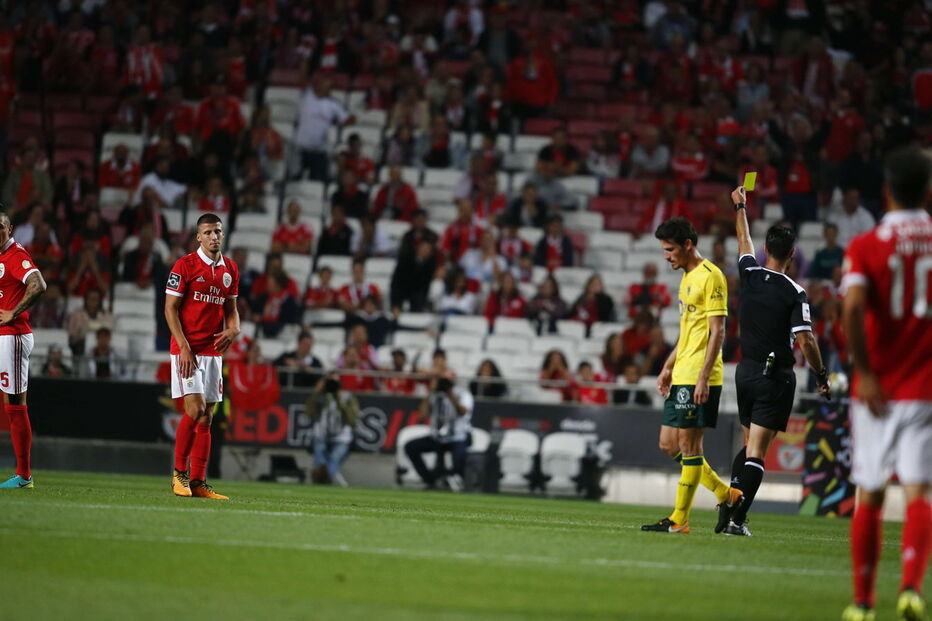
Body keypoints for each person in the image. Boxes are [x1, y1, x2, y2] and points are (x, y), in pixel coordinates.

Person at [839, 148, 932, 621]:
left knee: (870, 495)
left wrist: (867, 372)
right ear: (929, 192)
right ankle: (912, 588)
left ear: (887, 191)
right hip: (925, 389)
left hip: (876, 391)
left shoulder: (866, 245)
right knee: (920, 492)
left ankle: (862, 602)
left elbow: (852, 308)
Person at [723, 186, 830, 536]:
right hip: (774, 377)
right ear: (793, 254)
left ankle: (729, 505)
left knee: (746, 445)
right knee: (757, 452)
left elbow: (742, 240)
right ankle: (737, 519)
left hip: (745, 372)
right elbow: (806, 339)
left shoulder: (750, 275)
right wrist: (821, 373)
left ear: (766, 249)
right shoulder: (794, 292)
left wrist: (740, 206)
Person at [642, 217, 738, 534]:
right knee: (669, 444)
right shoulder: (686, 278)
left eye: (670, 249)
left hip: (700, 374)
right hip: (682, 370)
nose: (666, 256)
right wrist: (668, 365)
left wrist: (703, 377)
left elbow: (717, 332)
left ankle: (679, 519)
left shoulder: (712, 277)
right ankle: (726, 494)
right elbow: (687, 333)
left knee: (689, 443)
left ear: (687, 245)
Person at [164, 213, 240, 500]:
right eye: (208, 232)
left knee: (207, 417)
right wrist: (183, 346)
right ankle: (178, 474)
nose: (213, 237)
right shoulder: (184, 266)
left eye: (217, 232)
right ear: (198, 236)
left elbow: (231, 309)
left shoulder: (230, 269)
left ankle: (198, 481)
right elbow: (170, 308)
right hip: (187, 348)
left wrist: (234, 329)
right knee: (194, 410)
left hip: (212, 350)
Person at [0, 209, 47, 489]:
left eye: (0, 227)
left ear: (10, 228)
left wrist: (13, 312)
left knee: (15, 405)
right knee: (11, 404)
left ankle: (24, 476)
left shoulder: (15, 254)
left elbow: (38, 284)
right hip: (2, 336)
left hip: (12, 337)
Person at [405, 370, 474, 491]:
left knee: (458, 464)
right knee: (410, 447)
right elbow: (422, 415)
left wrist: (450, 394)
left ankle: (456, 481)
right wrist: (429, 392)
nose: (444, 384)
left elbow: (463, 412)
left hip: (456, 437)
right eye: (442, 380)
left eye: (447, 381)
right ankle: (429, 480)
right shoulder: (434, 394)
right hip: (436, 437)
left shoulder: (463, 394)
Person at [294, 74, 354, 182]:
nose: (327, 87)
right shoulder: (307, 95)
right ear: (318, 84)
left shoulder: (333, 104)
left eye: (330, 86)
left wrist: (336, 123)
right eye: (325, 83)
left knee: (318, 183)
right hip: (301, 148)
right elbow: (301, 80)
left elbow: (348, 120)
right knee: (295, 180)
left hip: (320, 151)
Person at [305, 371, 359, 487]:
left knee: (335, 457)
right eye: (329, 382)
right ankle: (323, 477)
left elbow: (352, 419)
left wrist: (341, 403)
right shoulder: (319, 397)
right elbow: (309, 414)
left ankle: (324, 480)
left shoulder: (347, 397)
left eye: (335, 382)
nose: (332, 385)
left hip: (341, 436)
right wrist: (316, 393)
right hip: (321, 434)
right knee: (320, 457)